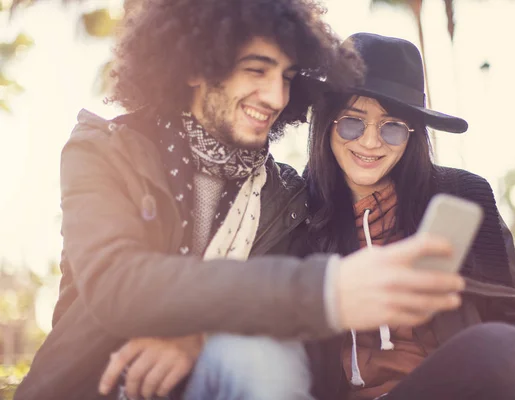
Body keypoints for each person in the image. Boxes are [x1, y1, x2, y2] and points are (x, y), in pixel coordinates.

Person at [15, 3, 467, 400]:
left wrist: (200, 339)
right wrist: (328, 287)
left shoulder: (286, 195)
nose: (276, 97)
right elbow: (118, 282)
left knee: (263, 357)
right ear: (195, 65)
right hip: (96, 384)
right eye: (256, 70)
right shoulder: (104, 149)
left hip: (219, 380)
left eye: (287, 78)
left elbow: (276, 323)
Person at [303, 32, 515, 400]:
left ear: (412, 136)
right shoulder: (299, 210)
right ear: (327, 123)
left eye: (392, 127)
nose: (371, 142)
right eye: (352, 122)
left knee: (509, 347)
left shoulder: (463, 198)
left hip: (443, 389)